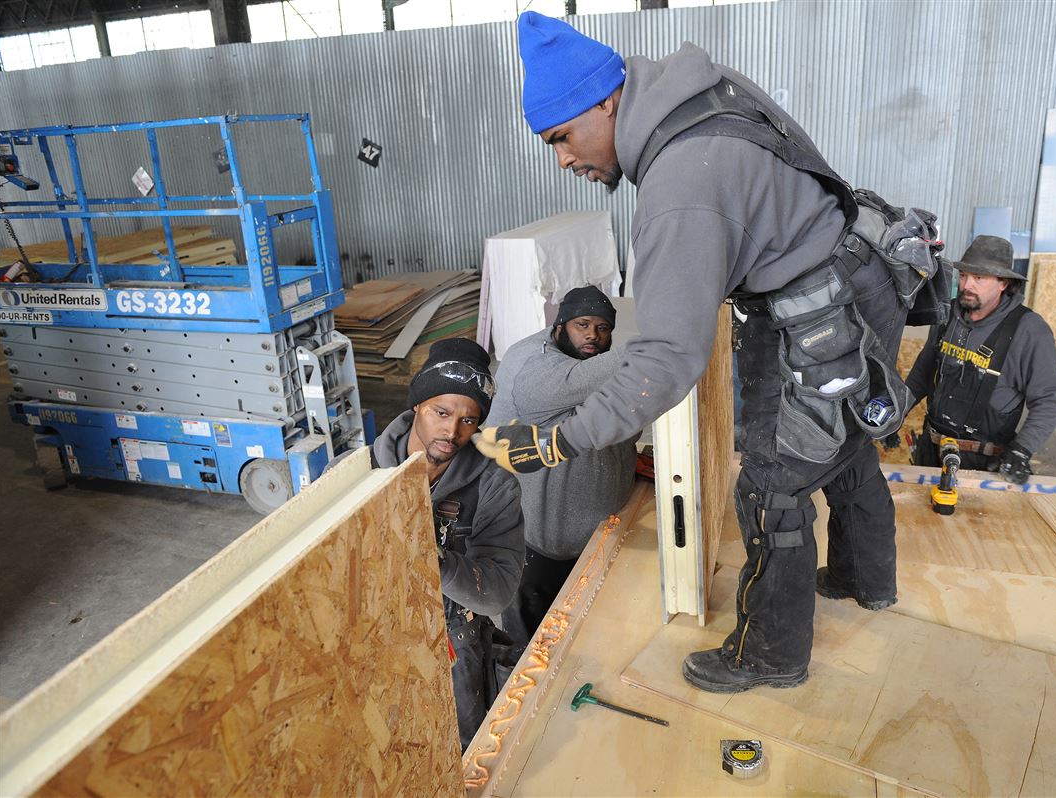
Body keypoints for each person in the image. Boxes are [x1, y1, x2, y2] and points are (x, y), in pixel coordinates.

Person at [476, 12, 932, 693]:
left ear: (606, 100)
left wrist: (554, 442)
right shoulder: (699, 91)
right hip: (857, 270)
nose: (564, 160)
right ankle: (866, 580)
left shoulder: (677, 188)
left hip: (820, 303)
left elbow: (665, 361)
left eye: (563, 138)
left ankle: (772, 656)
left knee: (772, 482)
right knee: (845, 438)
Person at [374, 337, 524, 748]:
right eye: (441, 412)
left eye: (469, 420)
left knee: (459, 754)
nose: (452, 431)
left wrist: (429, 556)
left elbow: (496, 593)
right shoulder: (360, 473)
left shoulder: (495, 487)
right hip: (374, 646)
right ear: (418, 406)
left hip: (455, 649)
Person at [485, 286, 638, 658]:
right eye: (582, 325)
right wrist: (657, 347)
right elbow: (579, 386)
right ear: (559, 326)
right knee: (532, 650)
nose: (592, 335)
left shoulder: (589, 363)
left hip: (597, 535)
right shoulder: (531, 367)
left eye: (603, 329)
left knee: (584, 643)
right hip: (539, 544)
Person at [906, 235, 1056, 483]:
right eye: (963, 276)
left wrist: (1022, 449)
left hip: (984, 465)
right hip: (932, 451)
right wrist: (894, 415)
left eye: (979, 278)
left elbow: (1051, 399)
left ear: (1003, 283)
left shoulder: (1028, 331)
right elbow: (923, 373)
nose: (967, 284)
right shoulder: (947, 315)